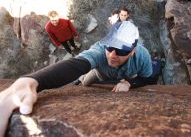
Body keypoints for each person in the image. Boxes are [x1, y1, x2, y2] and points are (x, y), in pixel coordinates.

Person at [0, 21, 153, 136]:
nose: (112, 55)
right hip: (99, 74)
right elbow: (77, 64)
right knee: (84, 83)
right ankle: (79, 81)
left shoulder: (142, 56)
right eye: (110, 47)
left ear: (133, 51)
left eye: (121, 50)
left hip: (124, 77)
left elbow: (147, 77)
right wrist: (30, 81)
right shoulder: (99, 50)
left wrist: (129, 83)